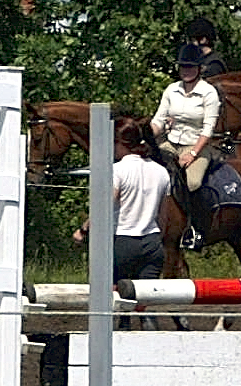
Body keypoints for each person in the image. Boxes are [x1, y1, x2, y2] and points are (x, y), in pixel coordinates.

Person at [72, 119, 172, 284]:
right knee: (144, 295)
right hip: (152, 243)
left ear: (119, 143)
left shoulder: (117, 171)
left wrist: (83, 230)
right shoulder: (161, 172)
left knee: (108, 293)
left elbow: (104, 209)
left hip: (122, 241)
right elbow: (163, 217)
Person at [151, 51, 223, 252]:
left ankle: (195, 229)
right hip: (170, 142)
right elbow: (158, 120)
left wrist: (192, 154)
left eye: (190, 67)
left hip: (197, 145)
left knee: (193, 182)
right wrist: (147, 134)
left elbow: (208, 129)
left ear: (200, 69)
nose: (186, 71)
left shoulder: (209, 93)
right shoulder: (171, 89)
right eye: (183, 66)